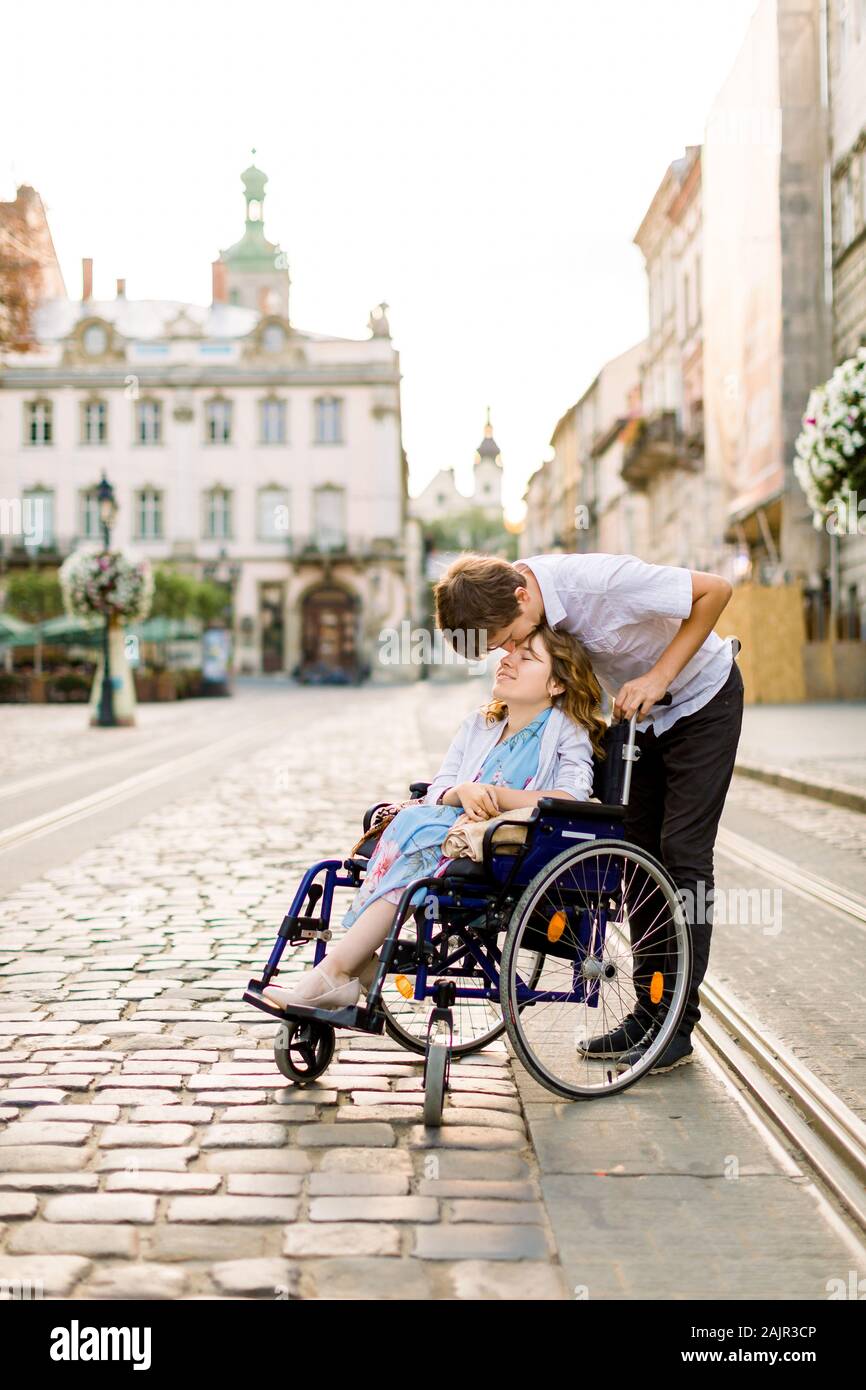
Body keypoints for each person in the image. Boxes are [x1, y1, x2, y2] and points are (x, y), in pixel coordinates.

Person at [432, 550, 744, 1074]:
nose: (509, 650)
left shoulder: (599, 583)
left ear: (522, 596)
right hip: (637, 721)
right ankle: (647, 1013)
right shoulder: (508, 595)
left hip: (700, 702)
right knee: (634, 859)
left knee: (682, 852)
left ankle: (676, 1024)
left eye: (508, 638)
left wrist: (659, 676)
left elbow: (715, 590)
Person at [263, 622, 605, 1011]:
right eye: (509, 652)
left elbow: (571, 796)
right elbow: (440, 787)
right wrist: (462, 791)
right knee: (407, 828)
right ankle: (348, 966)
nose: (507, 660)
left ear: (557, 684)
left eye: (526, 657)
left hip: (504, 843)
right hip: (450, 826)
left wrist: (495, 796)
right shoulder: (480, 724)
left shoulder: (567, 731)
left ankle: (339, 970)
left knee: (417, 832)